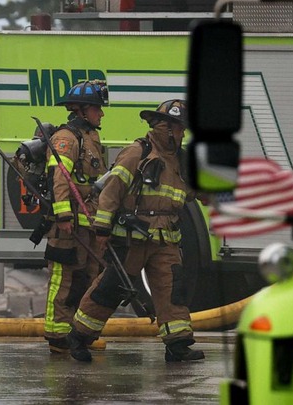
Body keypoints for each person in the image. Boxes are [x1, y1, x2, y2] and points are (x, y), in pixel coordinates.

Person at [68, 99, 205, 362]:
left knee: (172, 289)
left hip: (166, 239)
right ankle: (80, 336)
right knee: (111, 288)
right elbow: (112, 192)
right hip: (134, 237)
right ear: (165, 128)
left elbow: (189, 193)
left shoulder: (180, 161)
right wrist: (103, 229)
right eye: (180, 129)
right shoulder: (136, 153)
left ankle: (178, 345)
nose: (183, 134)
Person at [42, 80, 108, 354]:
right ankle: (57, 335)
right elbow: (60, 178)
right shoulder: (67, 138)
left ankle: (76, 332)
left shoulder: (90, 137)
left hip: (87, 222)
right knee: (64, 278)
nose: (101, 114)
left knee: (87, 276)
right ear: (82, 111)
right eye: (97, 109)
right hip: (68, 224)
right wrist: (63, 215)